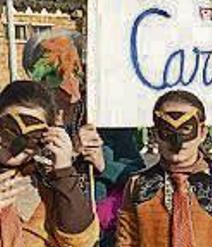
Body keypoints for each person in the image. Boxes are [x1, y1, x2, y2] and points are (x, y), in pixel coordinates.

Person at [23, 29, 145, 246]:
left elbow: (139, 177)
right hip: (48, 232)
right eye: (55, 75)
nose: (69, 85)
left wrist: (104, 165)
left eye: (76, 71)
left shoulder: (104, 119)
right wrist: (70, 154)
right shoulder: (28, 120)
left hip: (103, 234)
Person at [115, 90, 212, 246]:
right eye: (167, 132)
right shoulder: (138, 186)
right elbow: (126, 242)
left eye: (186, 130)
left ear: (202, 132)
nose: (177, 143)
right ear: (155, 134)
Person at [0, 80, 99, 246]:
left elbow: (80, 240)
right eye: (8, 130)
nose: (17, 145)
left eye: (33, 135)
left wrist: (64, 172)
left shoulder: (51, 186)